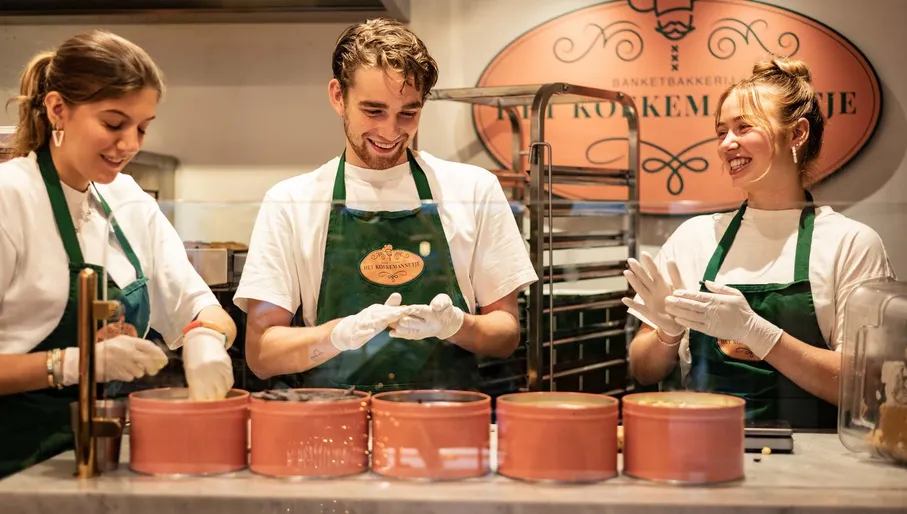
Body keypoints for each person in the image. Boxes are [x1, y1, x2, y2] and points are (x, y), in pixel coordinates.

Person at [234, 18, 537, 392]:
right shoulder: (291, 201)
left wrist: (456, 324)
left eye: (407, 113)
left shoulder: (473, 189)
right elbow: (262, 355)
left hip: (444, 424)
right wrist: (338, 335)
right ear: (337, 97)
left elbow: (505, 335)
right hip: (333, 426)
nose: (391, 131)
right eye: (373, 110)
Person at [0, 30, 237, 478]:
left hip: (102, 462)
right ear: (57, 109)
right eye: (113, 124)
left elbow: (202, 308)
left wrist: (206, 342)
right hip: (15, 468)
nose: (129, 143)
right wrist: (71, 363)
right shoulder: (10, 198)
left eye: (142, 127)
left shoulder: (127, 200)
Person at [622, 57, 897, 429]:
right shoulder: (695, 237)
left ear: (797, 134)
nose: (726, 144)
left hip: (817, 464)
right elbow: (642, 369)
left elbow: (865, 387)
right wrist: (667, 333)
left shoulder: (850, 243)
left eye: (744, 127)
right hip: (703, 451)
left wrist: (758, 333)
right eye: (721, 132)